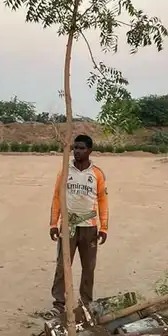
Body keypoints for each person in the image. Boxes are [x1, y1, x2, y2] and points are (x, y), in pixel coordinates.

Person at [49, 134, 108, 313]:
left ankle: (86, 303)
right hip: (68, 227)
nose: (78, 151)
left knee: (88, 267)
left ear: (90, 150)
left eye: (82, 148)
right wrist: (53, 224)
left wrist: (104, 227)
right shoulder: (65, 172)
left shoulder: (96, 173)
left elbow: (103, 201)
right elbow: (57, 198)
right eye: (75, 148)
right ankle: (59, 303)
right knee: (62, 265)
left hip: (89, 226)